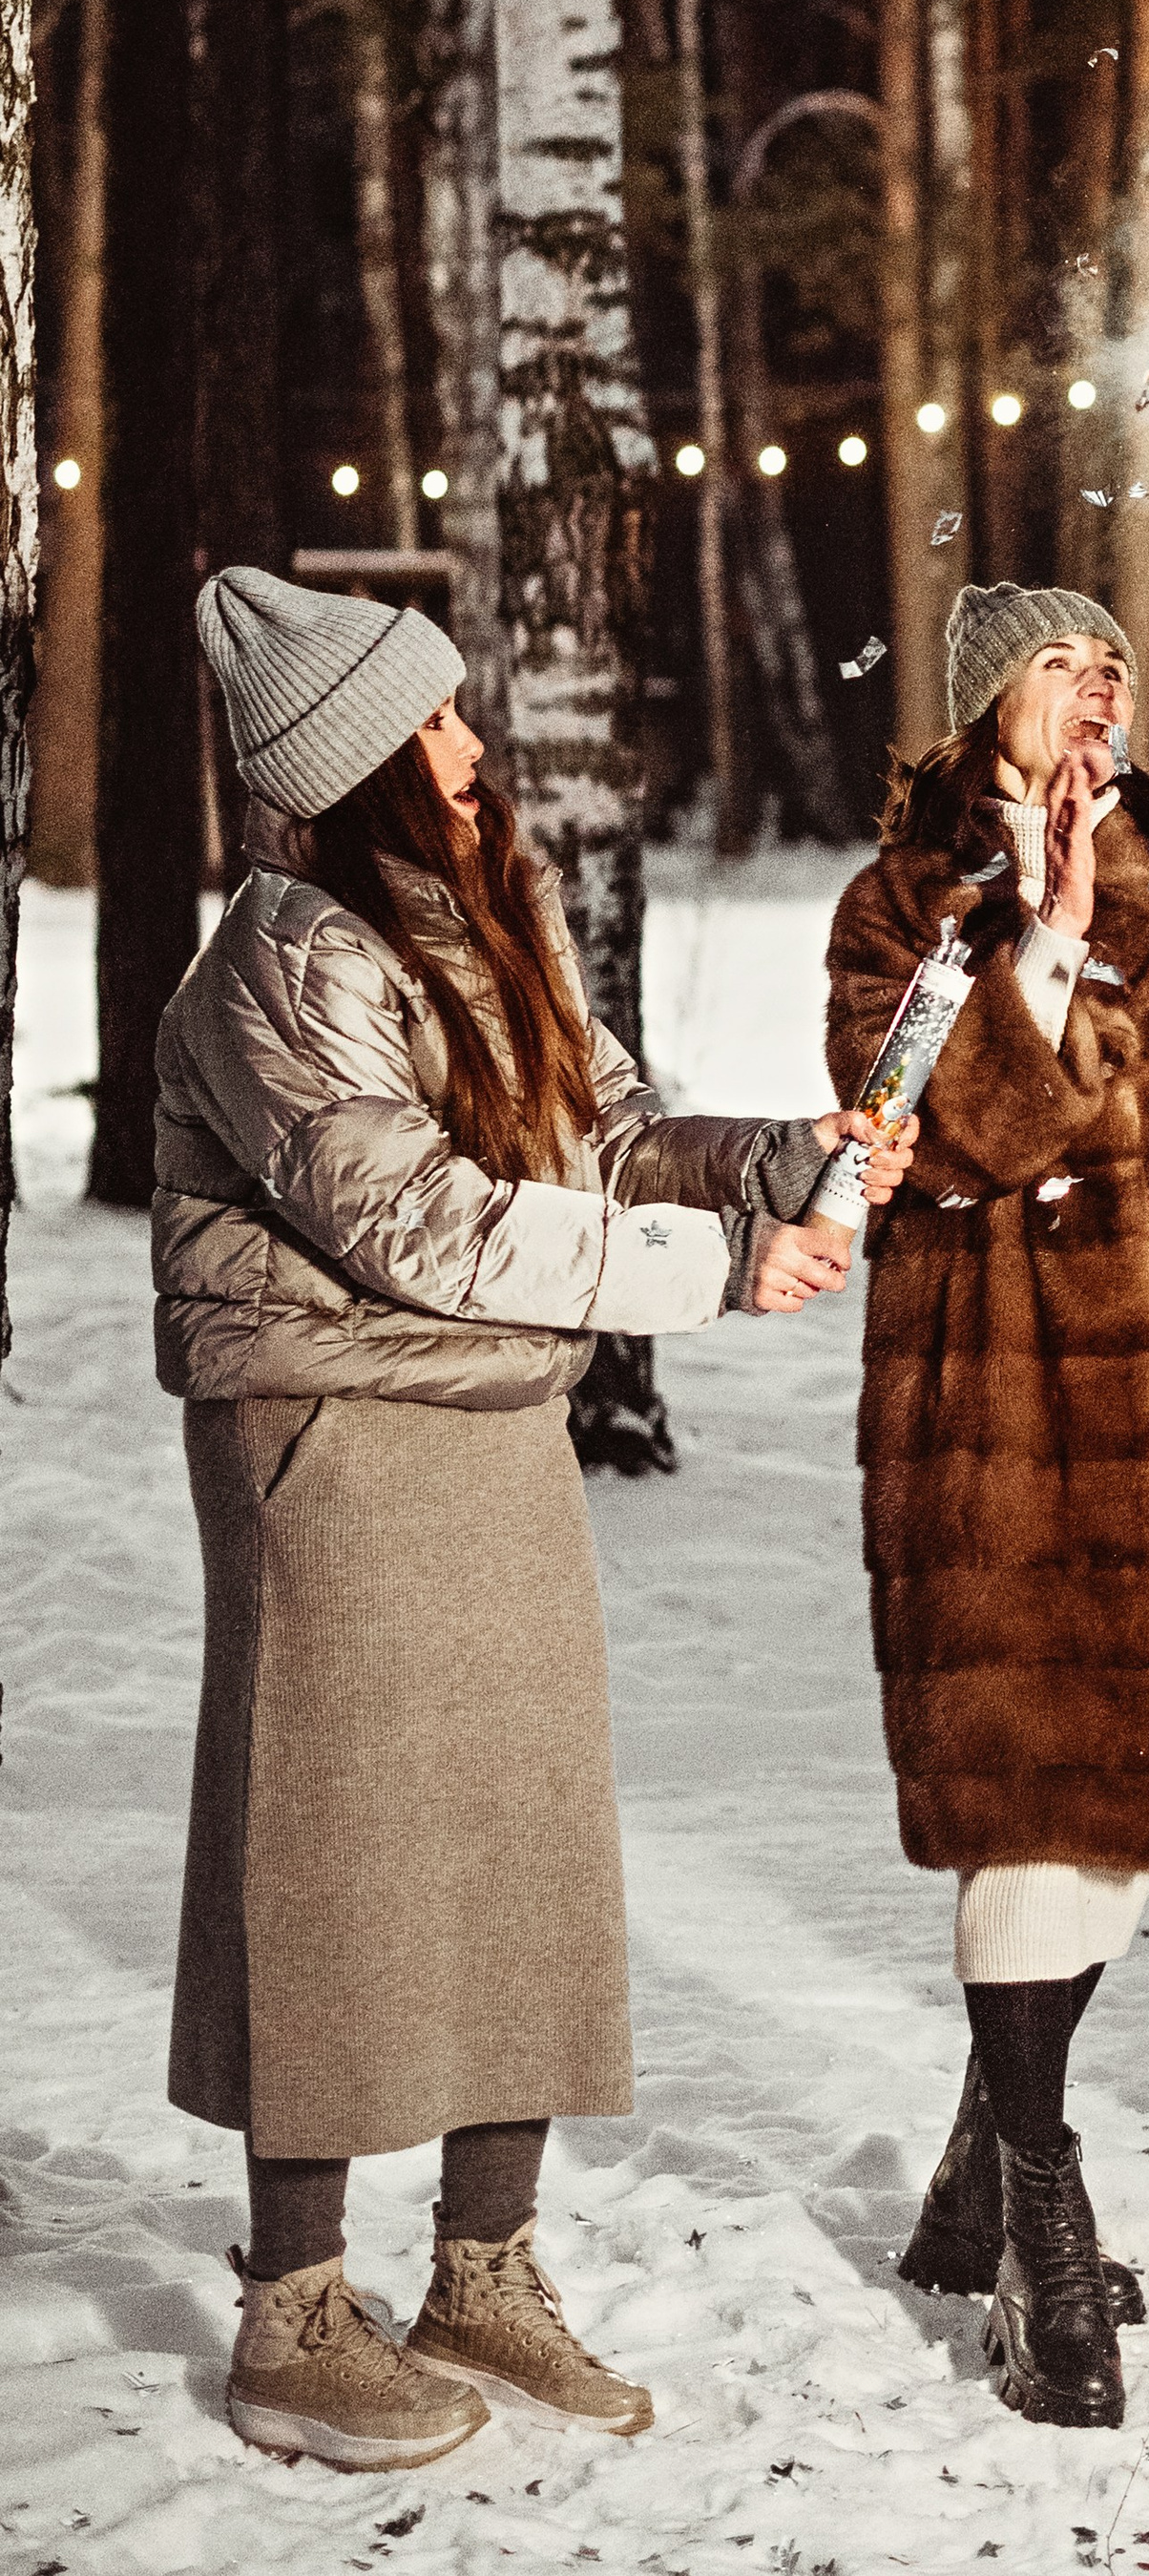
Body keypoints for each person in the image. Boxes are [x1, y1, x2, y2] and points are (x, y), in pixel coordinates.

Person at [160, 567, 911, 2476]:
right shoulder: (282, 958)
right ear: (359, 763)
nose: (472, 746)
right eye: (436, 723)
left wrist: (776, 1162)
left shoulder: (480, 928)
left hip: (491, 1420)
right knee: (327, 1857)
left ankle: (481, 2267)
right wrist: (712, 1268)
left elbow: (597, 1139)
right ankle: (293, 2307)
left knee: (519, 1845)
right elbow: (409, 1220)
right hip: (328, 1430)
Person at [826, 581, 1149, 2432]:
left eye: (1114, 658)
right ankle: (1044, 2224)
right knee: (1029, 1810)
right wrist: (1034, 952)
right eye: (1062, 660)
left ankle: (981, 2163)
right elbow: (932, 1126)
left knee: (1120, 1818)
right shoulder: (905, 898)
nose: (1101, 682)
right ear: (985, 713)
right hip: (1001, 1410)